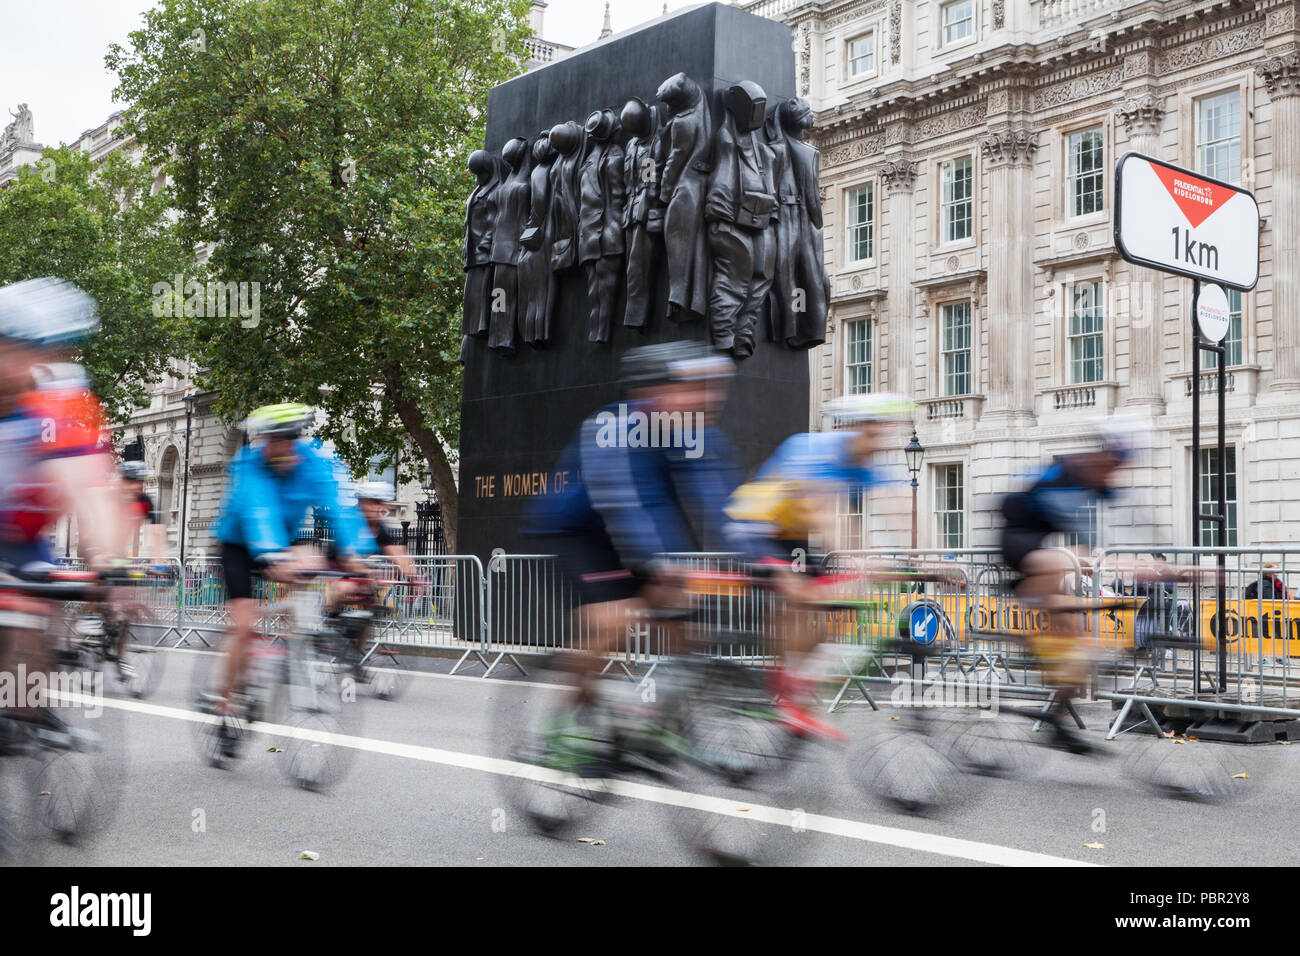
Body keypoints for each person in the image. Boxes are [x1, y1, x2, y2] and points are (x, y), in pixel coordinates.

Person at [526, 341, 739, 702]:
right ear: (653, 393)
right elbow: (627, 504)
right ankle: (573, 713)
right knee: (615, 619)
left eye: (709, 390)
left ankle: (660, 717)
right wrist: (664, 565)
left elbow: (720, 503)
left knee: (689, 626)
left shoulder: (697, 435)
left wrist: (759, 559)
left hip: (639, 539)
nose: (705, 400)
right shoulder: (612, 428)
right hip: (580, 533)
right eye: (690, 390)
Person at [725, 393, 914, 736]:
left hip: (792, 538)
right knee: (799, 593)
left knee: (846, 604)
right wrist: (860, 560)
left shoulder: (862, 463)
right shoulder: (816, 450)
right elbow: (824, 514)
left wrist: (932, 561)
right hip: (755, 527)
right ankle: (785, 691)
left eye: (886, 432)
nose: (882, 440)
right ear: (858, 429)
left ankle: (795, 681)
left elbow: (900, 509)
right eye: (876, 431)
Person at [210, 402, 377, 757]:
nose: (283, 447)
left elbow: (340, 509)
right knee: (243, 626)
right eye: (275, 440)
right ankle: (225, 709)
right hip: (239, 543)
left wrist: (354, 555)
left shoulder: (313, 462)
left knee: (304, 576)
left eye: (289, 439)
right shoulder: (249, 465)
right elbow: (260, 511)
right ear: (264, 440)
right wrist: (272, 554)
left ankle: (284, 652)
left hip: (283, 540)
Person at [0, 277, 124, 741]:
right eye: (30, 351)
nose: (41, 367)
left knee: (40, 608)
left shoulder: (61, 401)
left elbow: (90, 485)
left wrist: (109, 562)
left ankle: (22, 712)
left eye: (54, 355)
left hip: (18, 533)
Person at [997, 419, 1145, 753]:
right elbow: (1097, 544)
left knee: (1084, 655)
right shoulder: (1069, 472)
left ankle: (1058, 722)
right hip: (1018, 543)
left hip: (1040, 554)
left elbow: (1136, 522)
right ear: (1103, 456)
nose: (1116, 473)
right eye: (1116, 464)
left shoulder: (1098, 483)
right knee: (1067, 559)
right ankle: (1027, 643)